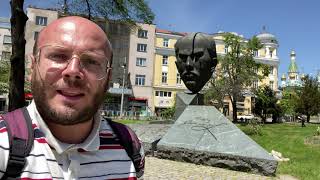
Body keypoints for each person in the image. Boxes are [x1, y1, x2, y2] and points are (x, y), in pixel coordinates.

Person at [0, 16, 144, 179]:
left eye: (91, 61)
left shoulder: (131, 146)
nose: (73, 71)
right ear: (33, 67)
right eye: (58, 55)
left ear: (108, 77)